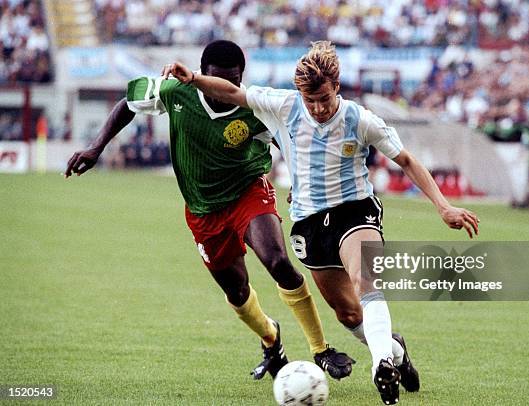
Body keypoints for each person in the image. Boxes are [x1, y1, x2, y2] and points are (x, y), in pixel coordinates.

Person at [163, 40, 480, 405]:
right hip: (311, 224)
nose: (318, 108)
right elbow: (234, 92)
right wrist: (195, 79)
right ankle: (394, 349)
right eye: (310, 100)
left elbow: (406, 160)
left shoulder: (359, 119)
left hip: (354, 210)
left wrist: (443, 207)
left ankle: (382, 367)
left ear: (337, 88)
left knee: (366, 278)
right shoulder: (283, 106)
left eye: (325, 99)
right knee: (347, 313)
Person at [64, 40, 355, 382]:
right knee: (237, 290)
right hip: (202, 210)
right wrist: (96, 148)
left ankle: (321, 350)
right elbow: (128, 103)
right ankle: (271, 338)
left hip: (248, 191)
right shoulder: (175, 91)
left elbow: (290, 141)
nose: (224, 92)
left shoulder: (255, 105)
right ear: (203, 74)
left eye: (232, 83)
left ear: (241, 77)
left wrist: (299, 184)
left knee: (278, 262)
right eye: (218, 80)